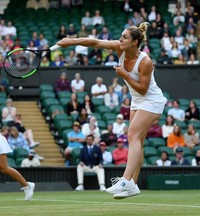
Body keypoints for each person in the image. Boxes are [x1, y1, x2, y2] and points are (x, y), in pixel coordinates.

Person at [57, 22, 167, 199]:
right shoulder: (119, 47)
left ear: (134, 42)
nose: (120, 39)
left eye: (124, 37)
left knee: (132, 135)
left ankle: (125, 180)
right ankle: (133, 185)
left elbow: (143, 90)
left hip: (152, 101)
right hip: (137, 101)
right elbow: (94, 42)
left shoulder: (145, 61)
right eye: (121, 36)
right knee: (137, 140)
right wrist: (71, 41)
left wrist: (124, 75)